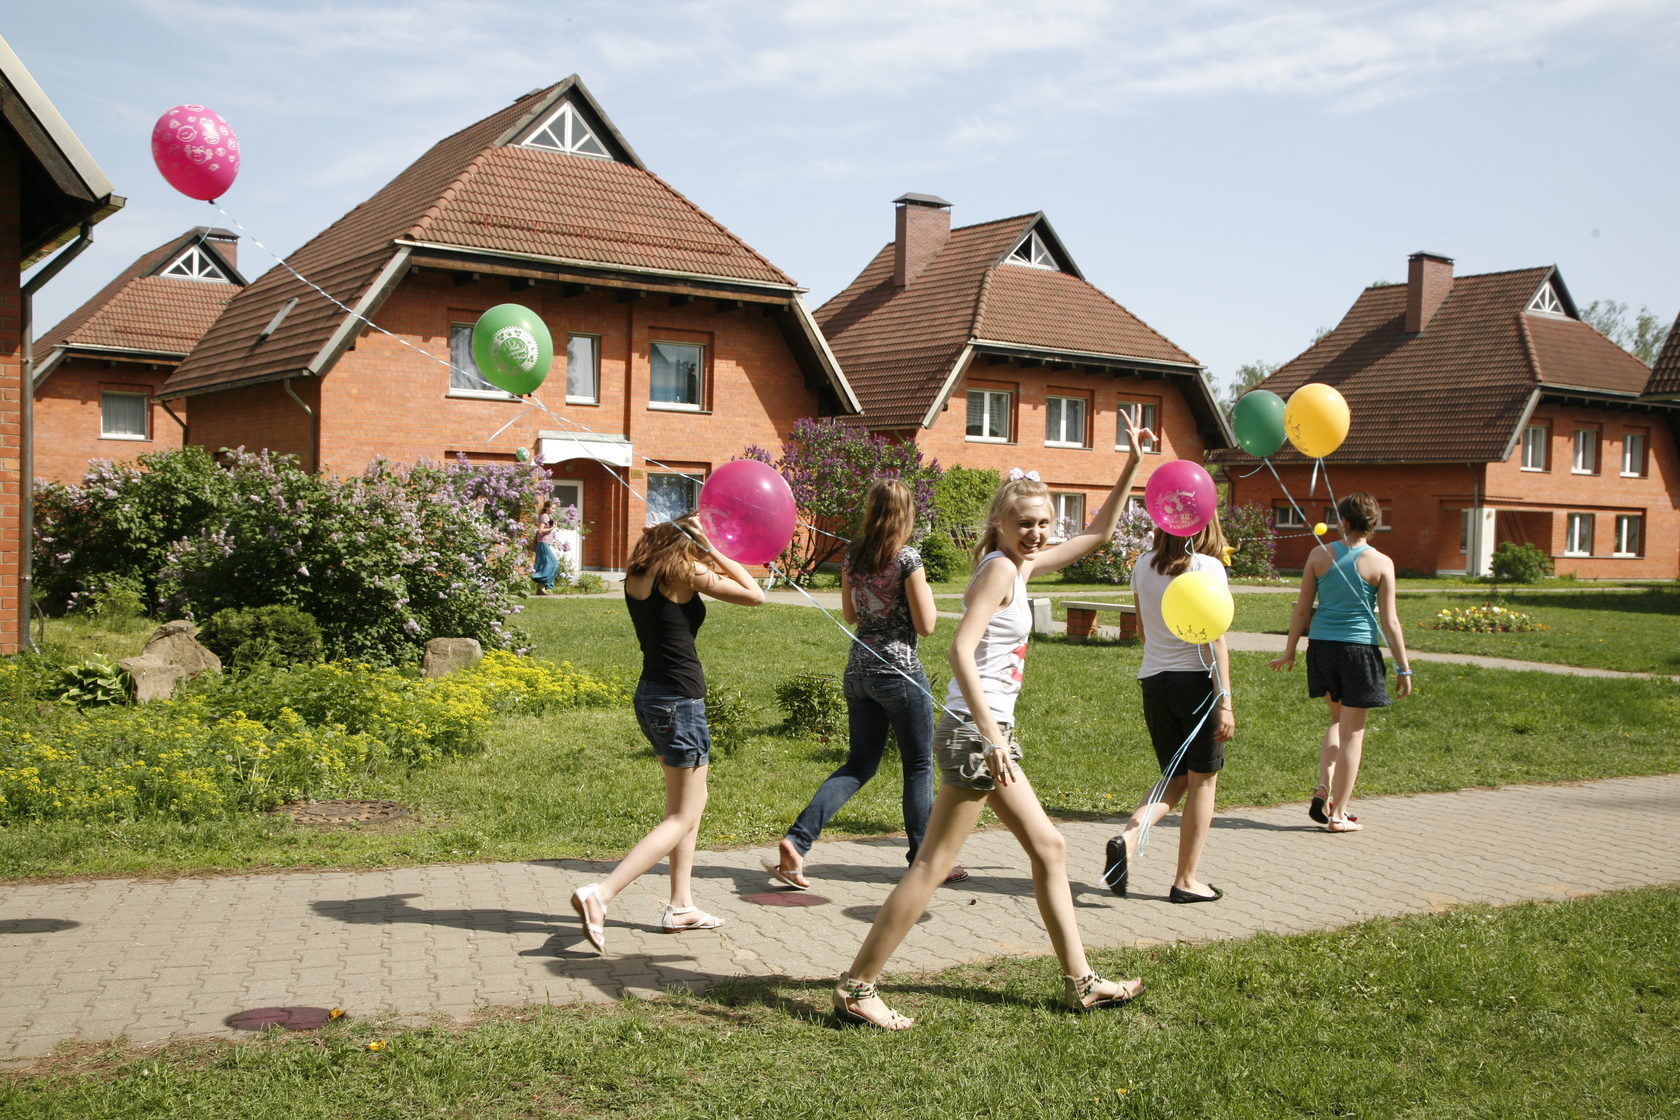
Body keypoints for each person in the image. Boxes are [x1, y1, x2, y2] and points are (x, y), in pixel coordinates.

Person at [831, 417, 1154, 1030]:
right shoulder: (1002, 570)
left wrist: (1131, 465)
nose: (1035, 533)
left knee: (1049, 847)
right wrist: (989, 732)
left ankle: (1080, 982)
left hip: (982, 731)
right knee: (931, 865)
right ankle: (857, 986)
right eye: (1024, 523)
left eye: (1042, 523)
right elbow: (958, 649)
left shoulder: (1017, 566)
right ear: (1000, 524)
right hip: (975, 732)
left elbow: (1101, 533)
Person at [570, 513, 764, 953]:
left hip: (652, 697)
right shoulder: (686, 572)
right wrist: (715, 552)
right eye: (700, 534)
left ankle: (681, 905)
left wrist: (685, 539)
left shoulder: (638, 574)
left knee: (687, 807)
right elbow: (755, 595)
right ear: (688, 539)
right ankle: (601, 895)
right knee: (683, 814)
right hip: (680, 701)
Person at [766, 479, 967, 890]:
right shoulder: (908, 559)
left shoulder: (853, 557)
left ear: (871, 511)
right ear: (907, 514)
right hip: (899, 672)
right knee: (918, 765)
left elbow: (851, 614)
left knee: (859, 764)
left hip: (858, 672)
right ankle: (926, 860)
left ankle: (797, 840)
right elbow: (927, 626)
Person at [1103, 519, 1234, 904]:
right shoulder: (1208, 567)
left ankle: (1127, 840)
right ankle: (1186, 881)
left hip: (1154, 681)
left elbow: (1143, 631)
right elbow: (1215, 639)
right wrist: (1224, 699)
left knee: (1174, 779)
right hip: (1195, 683)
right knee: (1202, 782)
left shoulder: (1143, 564)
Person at [1268, 492, 1412, 833]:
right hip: (1359, 651)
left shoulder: (1318, 554)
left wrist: (1290, 651)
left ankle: (1323, 786)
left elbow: (1302, 607)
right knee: (1354, 734)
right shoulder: (1382, 563)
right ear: (1373, 523)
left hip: (1322, 648)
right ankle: (1338, 814)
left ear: (1343, 521)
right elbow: (1390, 621)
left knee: (1336, 720)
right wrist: (1403, 667)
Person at [531, 499, 559, 595]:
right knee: (553, 564)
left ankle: (541, 588)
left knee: (546, 565)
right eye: (552, 508)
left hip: (545, 543)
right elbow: (541, 531)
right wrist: (552, 528)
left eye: (554, 508)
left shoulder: (547, 516)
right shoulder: (544, 516)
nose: (554, 510)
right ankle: (541, 584)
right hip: (543, 543)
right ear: (547, 507)